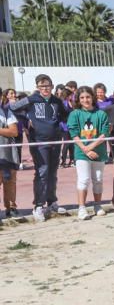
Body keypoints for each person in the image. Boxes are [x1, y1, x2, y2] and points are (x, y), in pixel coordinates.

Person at [10, 74, 71, 222]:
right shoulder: (31, 99)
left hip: (55, 141)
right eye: (42, 86)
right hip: (38, 142)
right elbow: (12, 108)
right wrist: (26, 121)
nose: (45, 88)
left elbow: (64, 115)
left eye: (47, 85)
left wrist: (60, 126)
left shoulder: (57, 101)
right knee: (42, 172)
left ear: (52, 86)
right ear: (37, 87)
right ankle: (38, 205)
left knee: (53, 172)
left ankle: (52, 202)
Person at [67, 86, 110, 219]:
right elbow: (74, 134)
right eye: (82, 98)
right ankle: (81, 208)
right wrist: (86, 150)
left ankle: (97, 205)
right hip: (81, 153)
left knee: (98, 180)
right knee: (84, 179)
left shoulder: (101, 114)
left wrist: (91, 147)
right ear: (78, 100)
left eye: (88, 97)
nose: (85, 100)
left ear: (93, 98)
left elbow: (104, 133)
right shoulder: (75, 114)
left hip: (99, 152)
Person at [0, 90, 20, 218]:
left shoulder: (7, 112)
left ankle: (11, 208)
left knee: (10, 183)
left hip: (8, 155)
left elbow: (14, 131)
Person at [59, 86, 76, 168]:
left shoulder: (70, 102)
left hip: (71, 126)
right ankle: (63, 161)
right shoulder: (63, 103)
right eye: (71, 95)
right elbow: (63, 115)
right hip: (65, 126)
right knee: (66, 143)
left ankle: (72, 160)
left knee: (72, 144)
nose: (72, 97)